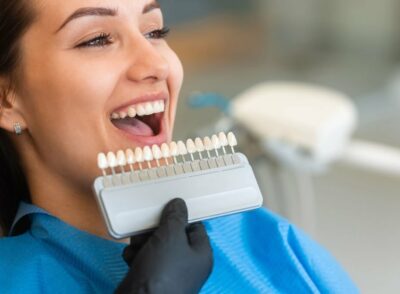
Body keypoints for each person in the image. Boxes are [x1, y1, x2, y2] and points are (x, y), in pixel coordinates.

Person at [0, 0, 358, 293]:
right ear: (6, 100)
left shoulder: (265, 239)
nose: (156, 64)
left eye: (155, 31)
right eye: (96, 39)